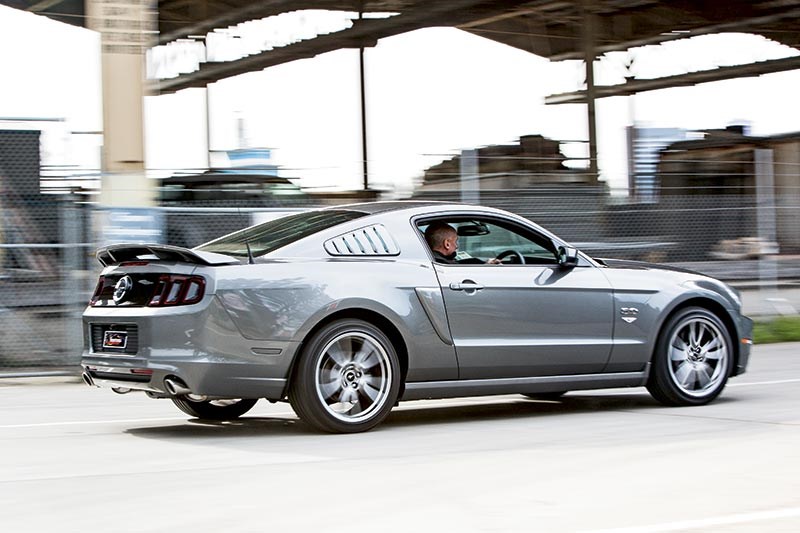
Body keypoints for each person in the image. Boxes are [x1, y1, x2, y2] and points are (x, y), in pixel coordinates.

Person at [424, 222, 501, 264]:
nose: (456, 246)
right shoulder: (445, 264)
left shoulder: (432, 259)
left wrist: (484, 264)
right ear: (447, 244)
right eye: (455, 241)